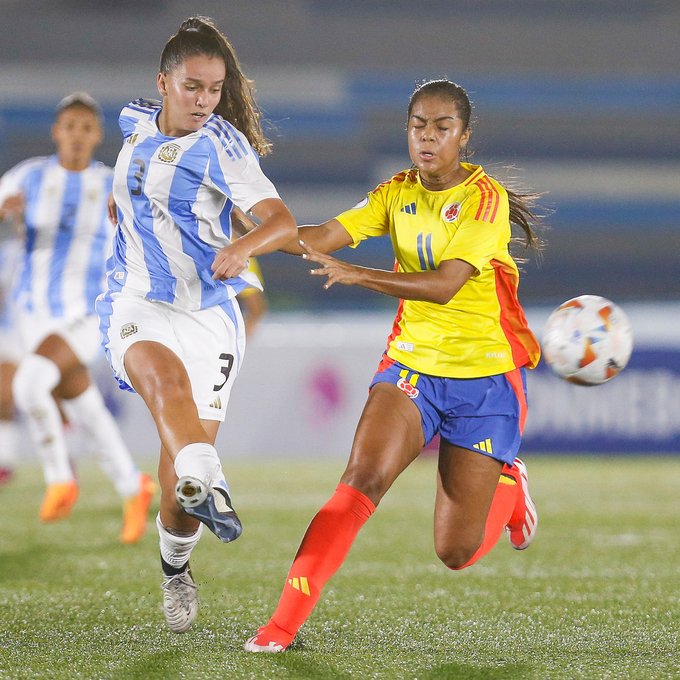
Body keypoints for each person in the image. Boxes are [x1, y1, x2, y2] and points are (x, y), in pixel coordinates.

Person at [245, 79, 542, 653]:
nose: (427, 138)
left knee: (454, 552)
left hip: (485, 383)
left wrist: (361, 275)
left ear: (464, 136)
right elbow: (318, 237)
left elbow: (445, 286)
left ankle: (510, 483)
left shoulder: (485, 200)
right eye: (417, 126)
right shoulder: (394, 192)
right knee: (361, 479)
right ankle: (280, 627)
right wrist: (242, 228)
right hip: (410, 370)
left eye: (442, 128)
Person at [94, 16, 296, 633]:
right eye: (192, 87)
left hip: (208, 313)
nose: (204, 101)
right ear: (163, 82)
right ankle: (211, 478)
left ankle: (175, 566)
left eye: (214, 89)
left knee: (174, 479)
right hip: (136, 301)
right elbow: (132, 183)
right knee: (166, 389)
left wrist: (244, 247)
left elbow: (282, 222)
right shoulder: (133, 119)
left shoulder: (222, 146)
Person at [0, 92, 155, 542]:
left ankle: (59, 479)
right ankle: (133, 484)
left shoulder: (112, 183)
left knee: (28, 384)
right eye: (70, 126)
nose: (77, 135)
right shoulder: (28, 177)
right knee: (85, 407)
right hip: (33, 314)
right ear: (57, 132)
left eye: (86, 128)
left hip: (88, 313)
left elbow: (147, 227)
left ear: (96, 136)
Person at [0, 237, 22, 485]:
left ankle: (65, 459)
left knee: (60, 398)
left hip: (45, 325)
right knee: (4, 396)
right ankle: (5, 462)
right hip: (11, 331)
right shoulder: (7, 250)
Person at [237, 257, 268, 337]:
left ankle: (239, 341)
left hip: (246, 255)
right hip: (239, 256)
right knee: (255, 308)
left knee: (256, 309)